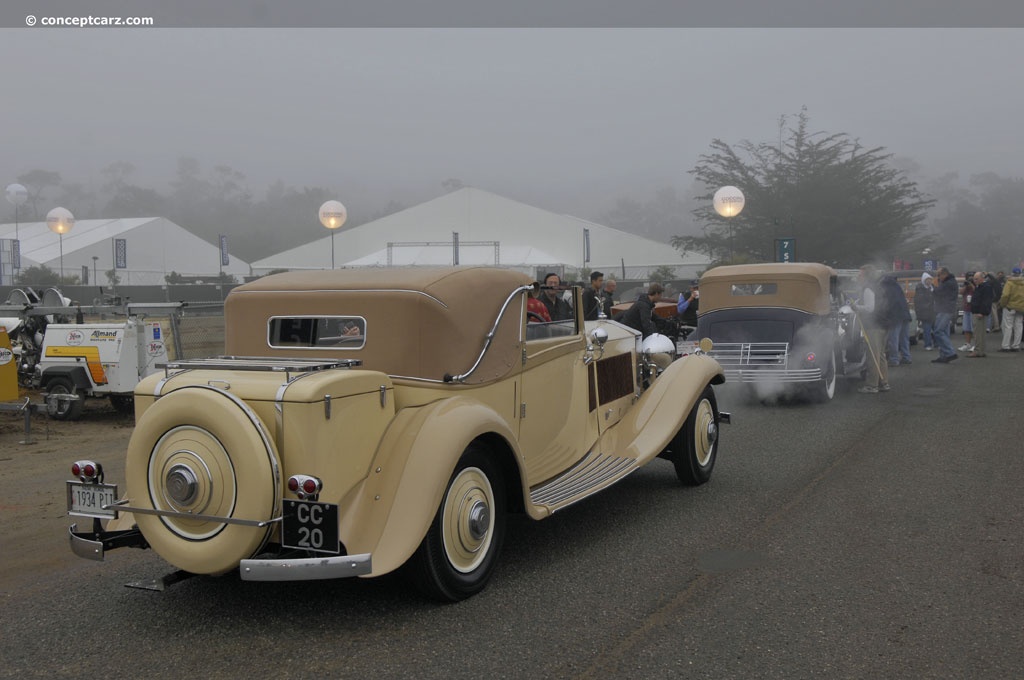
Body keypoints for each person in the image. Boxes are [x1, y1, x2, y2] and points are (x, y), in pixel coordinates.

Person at [852, 265, 890, 393]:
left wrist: (857, 307)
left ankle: (872, 385)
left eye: (860, 275)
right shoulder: (877, 286)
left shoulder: (868, 288)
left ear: (866, 276)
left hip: (874, 326)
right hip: (882, 324)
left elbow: (870, 308)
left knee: (873, 355)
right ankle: (883, 383)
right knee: (880, 355)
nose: (858, 277)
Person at [881, 275, 913, 366]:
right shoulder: (897, 287)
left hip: (895, 316)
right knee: (904, 338)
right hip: (905, 315)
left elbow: (887, 304)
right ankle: (906, 357)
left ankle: (894, 359)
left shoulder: (886, 288)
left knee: (894, 339)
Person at [930, 267, 960, 364]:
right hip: (944, 309)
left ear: (944, 274)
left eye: (939, 275)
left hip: (946, 310)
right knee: (944, 332)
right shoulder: (949, 282)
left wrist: (932, 288)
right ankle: (944, 356)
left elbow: (939, 293)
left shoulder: (949, 283)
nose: (938, 277)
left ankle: (950, 353)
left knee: (938, 331)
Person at [968, 271, 994, 357]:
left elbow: (986, 301)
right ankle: (981, 351)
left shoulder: (985, 287)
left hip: (979, 313)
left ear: (982, 279)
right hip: (979, 312)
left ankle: (977, 350)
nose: (975, 281)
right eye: (974, 279)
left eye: (976, 279)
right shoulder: (982, 286)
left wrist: (982, 312)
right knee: (981, 333)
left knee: (978, 333)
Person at [999, 267, 1024, 351]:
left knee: (1008, 326)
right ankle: (1016, 345)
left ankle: (1005, 346)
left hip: (1010, 307)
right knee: (1018, 326)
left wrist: (1002, 304)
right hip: (1020, 308)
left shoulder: (1009, 283)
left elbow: (1005, 295)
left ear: (1012, 273)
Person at [914, 272, 936, 350]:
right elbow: (917, 302)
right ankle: (927, 344)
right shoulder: (920, 289)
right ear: (924, 280)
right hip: (925, 313)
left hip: (934, 312)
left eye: (930, 279)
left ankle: (937, 343)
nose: (929, 281)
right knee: (927, 330)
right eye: (928, 279)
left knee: (936, 329)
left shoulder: (933, 288)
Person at [959, 274, 975, 352]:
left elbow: (977, 292)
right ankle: (967, 344)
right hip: (966, 309)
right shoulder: (966, 287)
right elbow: (961, 292)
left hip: (974, 309)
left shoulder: (977, 286)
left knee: (974, 328)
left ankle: (976, 344)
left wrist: (972, 285)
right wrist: (966, 286)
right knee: (966, 328)